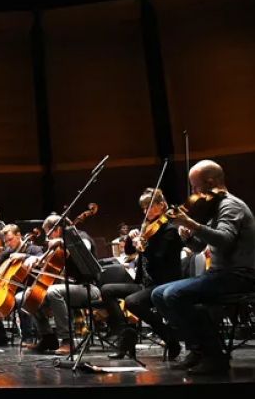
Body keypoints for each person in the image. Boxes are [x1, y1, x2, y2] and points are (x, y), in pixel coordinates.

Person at [152, 160, 255, 374]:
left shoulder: (230, 206)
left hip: (239, 275)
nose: (194, 192)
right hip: (219, 274)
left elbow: (224, 240)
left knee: (174, 294)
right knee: (159, 294)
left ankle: (215, 357)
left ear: (210, 182)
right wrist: (188, 236)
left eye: (196, 186)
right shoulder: (213, 207)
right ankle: (197, 348)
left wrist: (191, 224)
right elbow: (199, 246)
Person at [100, 188, 182, 360]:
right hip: (144, 283)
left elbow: (159, 258)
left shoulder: (170, 230)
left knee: (132, 301)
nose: (146, 211)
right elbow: (130, 252)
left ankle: (168, 336)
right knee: (106, 290)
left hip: (162, 284)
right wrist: (131, 239)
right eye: (144, 208)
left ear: (162, 205)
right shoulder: (148, 228)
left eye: (150, 207)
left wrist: (144, 246)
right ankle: (125, 333)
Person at [22, 214, 99, 355]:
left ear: (57, 230)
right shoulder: (57, 244)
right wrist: (34, 259)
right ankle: (48, 338)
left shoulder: (80, 235)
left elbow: (84, 247)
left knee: (52, 291)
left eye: (48, 234)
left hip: (88, 287)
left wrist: (61, 240)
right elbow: (48, 260)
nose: (47, 239)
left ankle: (67, 340)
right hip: (70, 287)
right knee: (31, 295)